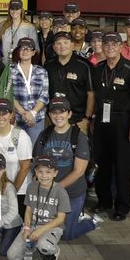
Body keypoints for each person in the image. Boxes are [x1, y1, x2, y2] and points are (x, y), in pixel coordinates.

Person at [92, 32, 130, 221]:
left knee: (122, 167)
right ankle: (104, 200)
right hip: (102, 121)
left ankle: (122, 206)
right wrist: (91, 119)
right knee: (101, 163)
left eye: (114, 44)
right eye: (106, 44)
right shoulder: (98, 68)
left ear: (121, 47)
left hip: (123, 121)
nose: (110, 47)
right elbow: (93, 95)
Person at [33, 97, 99, 240]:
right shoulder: (44, 135)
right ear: (49, 115)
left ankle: (91, 222)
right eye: (54, 113)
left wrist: (55, 188)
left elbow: (79, 171)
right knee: (40, 228)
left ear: (69, 114)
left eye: (61, 112)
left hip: (72, 194)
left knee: (67, 234)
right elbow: (36, 164)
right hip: (48, 193)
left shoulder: (78, 137)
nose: (58, 116)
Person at [7, 155, 71, 260]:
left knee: (45, 246)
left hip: (51, 226)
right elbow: (28, 210)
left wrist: (40, 231)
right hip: (33, 225)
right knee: (12, 256)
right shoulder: (31, 187)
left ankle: (53, 251)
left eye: (48, 172)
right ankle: (34, 245)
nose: (44, 176)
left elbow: (61, 219)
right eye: (40, 171)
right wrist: (27, 228)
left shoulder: (61, 191)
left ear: (55, 173)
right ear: (35, 172)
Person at [44, 31, 94, 133]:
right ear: (54, 47)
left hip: (78, 120)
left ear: (72, 45)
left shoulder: (84, 65)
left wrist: (87, 119)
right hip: (53, 119)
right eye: (58, 43)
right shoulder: (48, 65)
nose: (62, 46)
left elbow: (91, 94)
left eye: (65, 43)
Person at [11, 37, 49, 144]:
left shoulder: (41, 71)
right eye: (22, 48)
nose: (25, 51)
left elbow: (44, 95)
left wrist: (32, 113)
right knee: (17, 152)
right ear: (18, 51)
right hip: (17, 119)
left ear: (33, 53)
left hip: (36, 119)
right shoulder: (9, 70)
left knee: (34, 152)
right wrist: (24, 113)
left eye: (28, 49)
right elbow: (8, 95)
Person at [0, 0, 38, 64]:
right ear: (9, 10)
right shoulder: (3, 25)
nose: (14, 11)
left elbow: (35, 49)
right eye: (12, 9)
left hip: (22, 65)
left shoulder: (29, 27)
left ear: (21, 10)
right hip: (5, 64)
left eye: (17, 9)